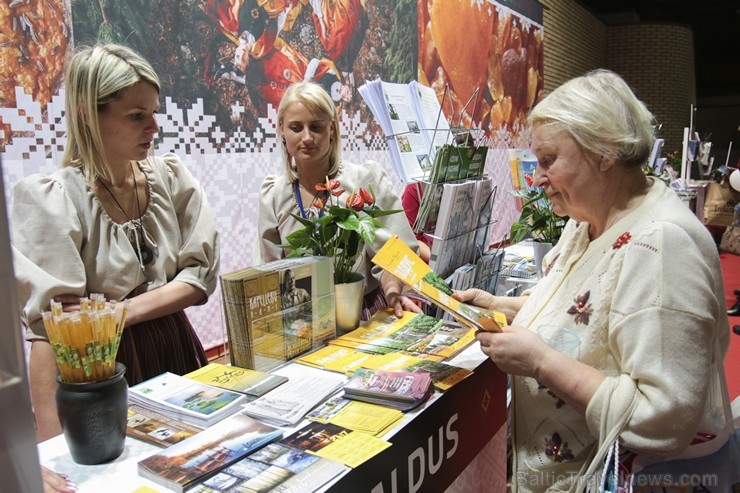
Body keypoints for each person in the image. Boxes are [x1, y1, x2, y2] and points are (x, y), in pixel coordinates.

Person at [454, 70, 732, 491]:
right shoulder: (588, 220)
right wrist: (499, 306)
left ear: (604, 152)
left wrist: (539, 362)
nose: (537, 177)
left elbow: (664, 416)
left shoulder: (661, 246)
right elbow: (586, 306)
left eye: (548, 160)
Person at [12, 43, 220, 442]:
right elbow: (51, 332)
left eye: (154, 112)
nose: (154, 127)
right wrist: (52, 448)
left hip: (173, 345)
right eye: (137, 116)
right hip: (100, 369)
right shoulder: (53, 199)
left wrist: (116, 313)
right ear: (88, 116)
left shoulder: (171, 178)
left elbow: (198, 280)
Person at [258, 80, 421, 318]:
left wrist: (394, 290)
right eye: (296, 127)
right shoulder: (274, 195)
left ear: (332, 128)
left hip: (361, 314)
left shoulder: (364, 179)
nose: (307, 137)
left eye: (316, 127)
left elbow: (397, 252)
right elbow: (270, 271)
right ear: (282, 129)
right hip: (304, 322)